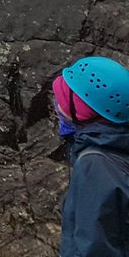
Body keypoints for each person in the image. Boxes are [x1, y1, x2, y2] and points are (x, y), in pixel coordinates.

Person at [53, 55, 129, 256]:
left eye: (62, 101)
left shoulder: (95, 165)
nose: (57, 107)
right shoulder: (118, 145)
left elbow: (95, 246)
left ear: (82, 112)